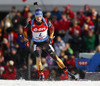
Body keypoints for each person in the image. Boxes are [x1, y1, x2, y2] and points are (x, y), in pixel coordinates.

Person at [23, 8, 76, 80]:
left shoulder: (46, 21)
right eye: (37, 16)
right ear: (35, 16)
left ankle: (66, 72)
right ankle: (41, 75)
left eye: (39, 16)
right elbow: (25, 30)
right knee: (38, 59)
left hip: (45, 42)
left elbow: (52, 28)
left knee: (56, 58)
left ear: (42, 16)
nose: (38, 18)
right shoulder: (31, 22)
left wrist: (51, 37)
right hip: (37, 43)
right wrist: (26, 40)